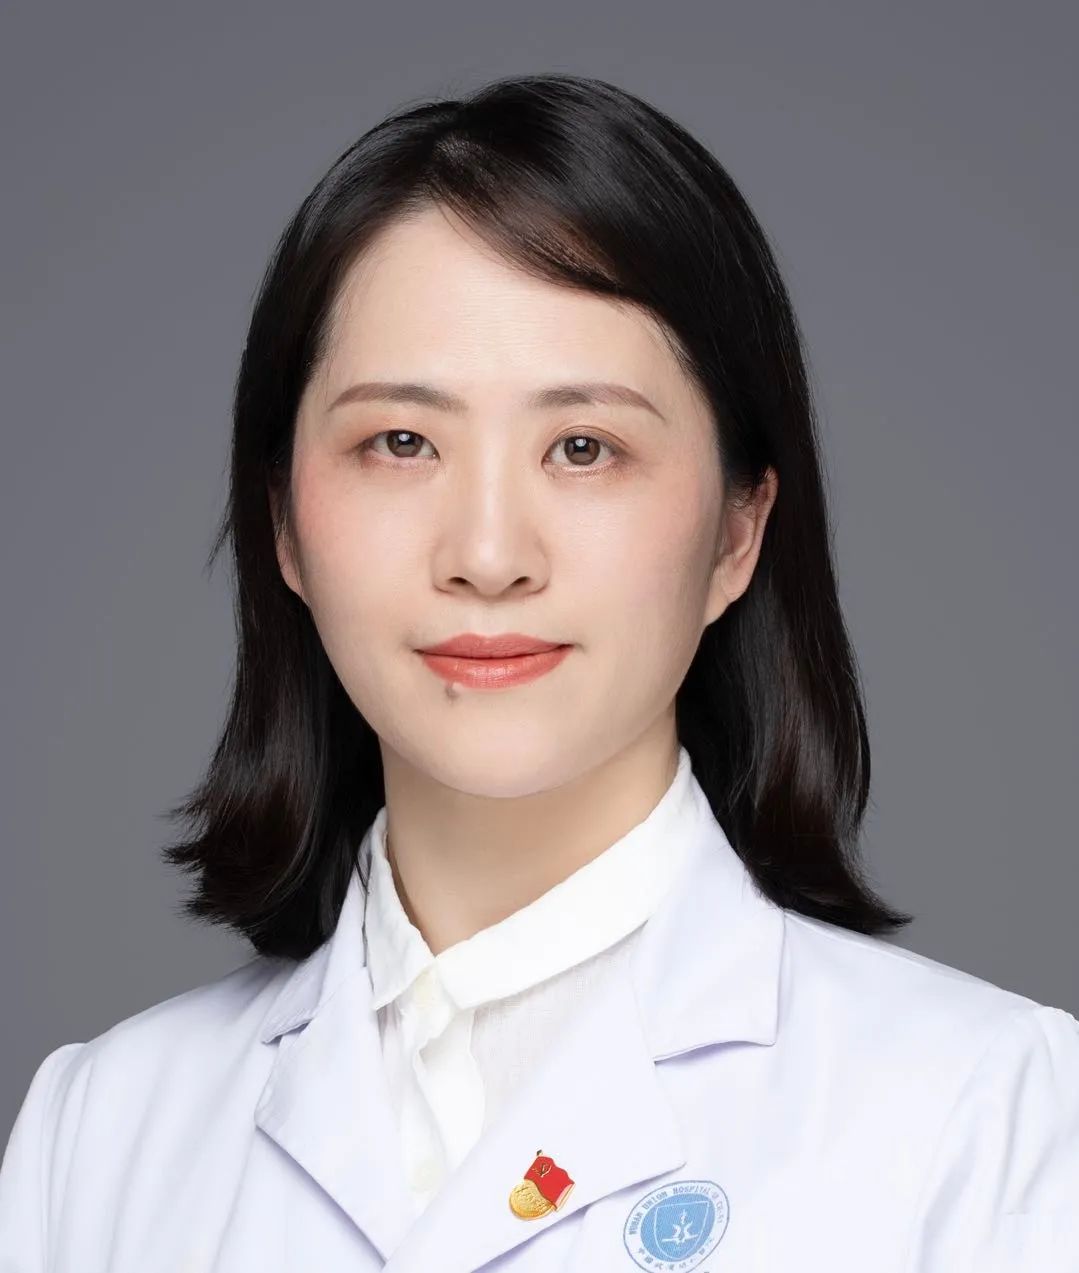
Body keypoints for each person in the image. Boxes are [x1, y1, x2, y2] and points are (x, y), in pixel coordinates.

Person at [1, 70, 1076, 1272]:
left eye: (582, 447)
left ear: (736, 531)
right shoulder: (102, 1133)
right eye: (399, 442)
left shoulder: (981, 1113)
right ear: (285, 525)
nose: (487, 553)